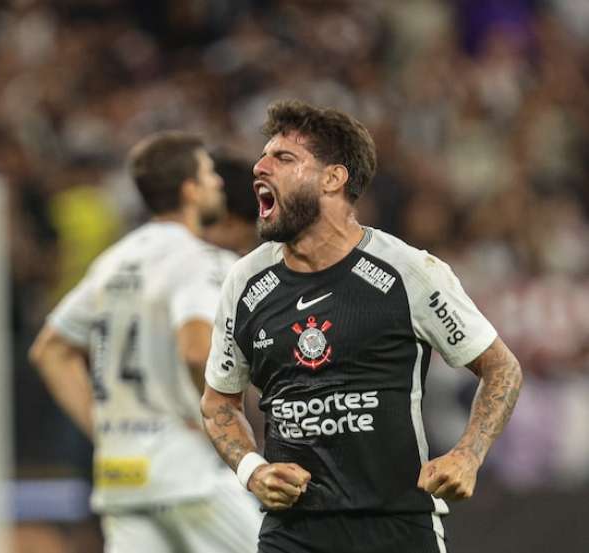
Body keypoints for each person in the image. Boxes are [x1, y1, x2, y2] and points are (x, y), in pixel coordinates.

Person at [201, 100, 523, 553]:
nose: (260, 166)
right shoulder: (245, 282)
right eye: (263, 155)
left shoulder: (409, 272)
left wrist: (469, 454)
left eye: (284, 158)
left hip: (397, 528)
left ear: (333, 178)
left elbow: (502, 368)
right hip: (292, 533)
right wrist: (252, 470)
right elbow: (219, 401)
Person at [30, 131, 262, 553]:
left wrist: (103, 428)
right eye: (209, 175)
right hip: (185, 470)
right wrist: (221, 424)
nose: (217, 184)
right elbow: (196, 350)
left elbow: (51, 350)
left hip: (122, 472)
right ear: (190, 190)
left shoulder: (114, 261)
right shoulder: (201, 260)